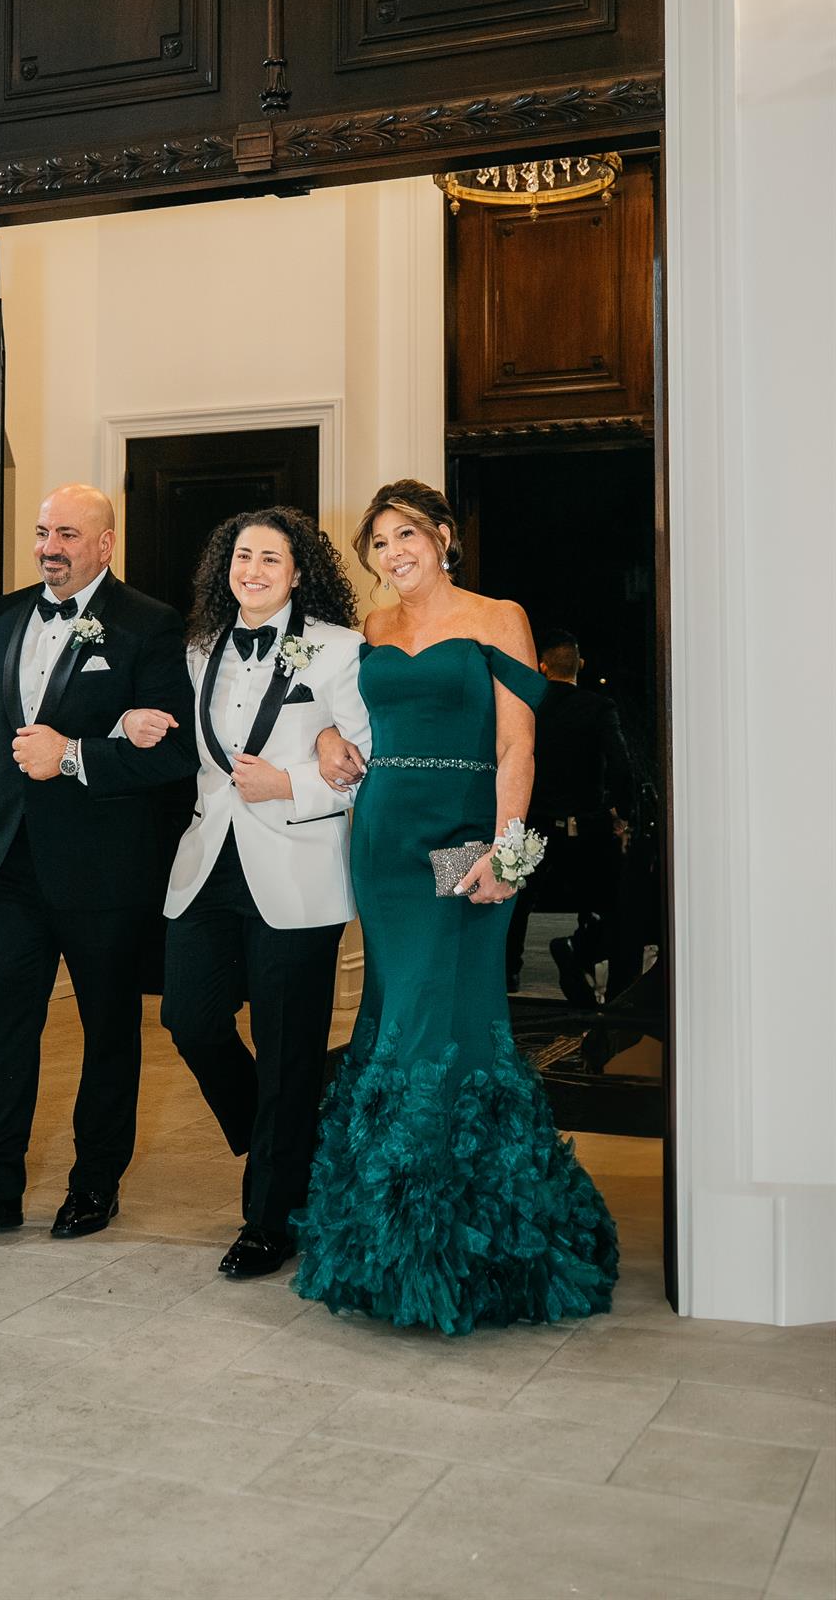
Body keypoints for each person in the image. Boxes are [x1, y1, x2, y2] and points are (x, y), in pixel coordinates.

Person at [296, 479, 617, 1331]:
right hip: (384, 839)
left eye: (406, 534)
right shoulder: (372, 629)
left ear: (442, 536)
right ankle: (385, 1235)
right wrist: (325, 737)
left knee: (441, 1013)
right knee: (394, 1012)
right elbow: (338, 715)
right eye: (378, 542)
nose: (392, 552)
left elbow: (518, 743)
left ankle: (455, 1240)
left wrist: (507, 852)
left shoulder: (497, 617)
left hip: (464, 834)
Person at [0, 484, 196, 1240]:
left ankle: (94, 1184)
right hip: (6, 865)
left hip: (106, 871)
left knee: (108, 1033)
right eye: (43, 533)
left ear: (106, 543)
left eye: (67, 533)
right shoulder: (1, 618)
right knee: (1, 1031)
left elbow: (174, 757)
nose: (49, 548)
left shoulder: (151, 624)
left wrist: (71, 755)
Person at [142, 507, 372, 1279]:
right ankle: (283, 1134)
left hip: (298, 867)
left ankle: (270, 1221)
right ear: (225, 566)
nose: (254, 570)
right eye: (243, 556)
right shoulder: (198, 649)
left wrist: (292, 782)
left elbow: (365, 761)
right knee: (188, 1017)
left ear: (298, 572)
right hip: (207, 862)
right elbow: (182, 742)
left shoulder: (339, 648)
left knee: (287, 1049)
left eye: (271, 558)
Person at [506, 628, 635, 1004]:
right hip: (585, 821)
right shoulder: (599, 707)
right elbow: (621, 764)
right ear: (580, 663)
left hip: (533, 820)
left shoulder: (527, 707)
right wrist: (622, 811)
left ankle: (509, 971)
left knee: (518, 901)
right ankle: (588, 961)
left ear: (542, 666)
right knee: (599, 900)